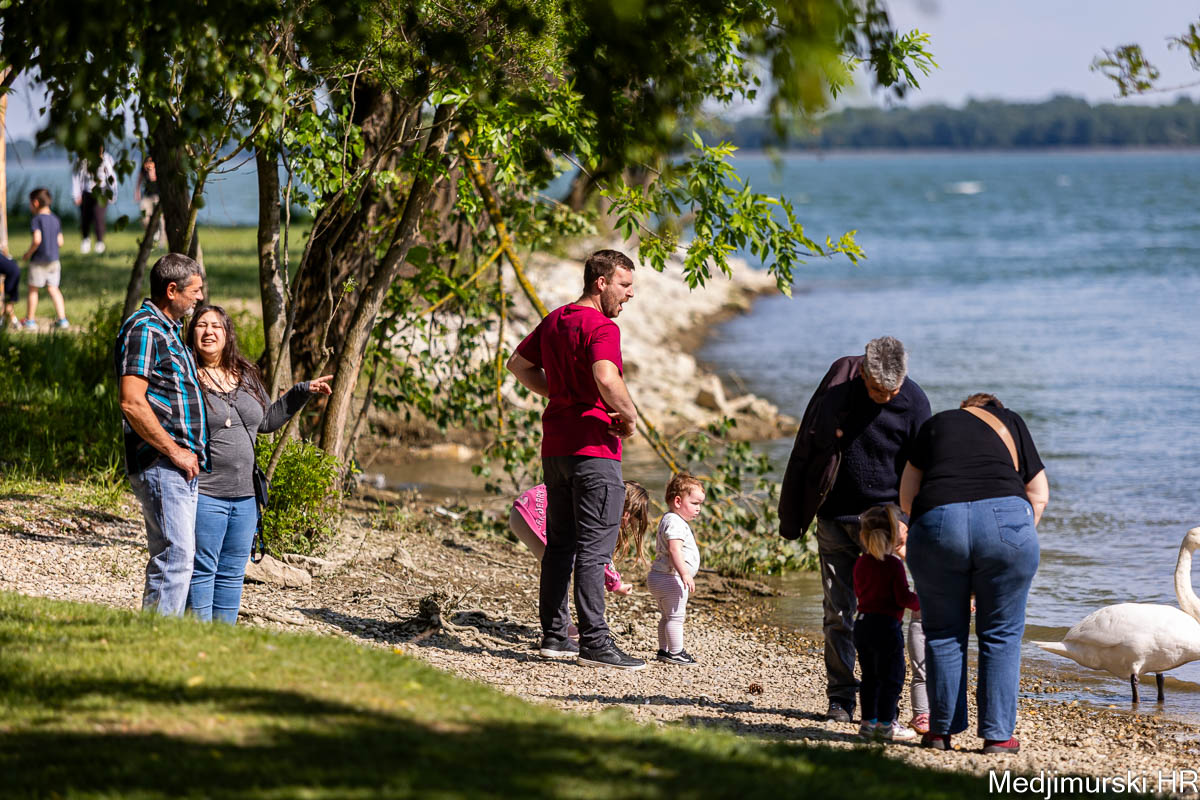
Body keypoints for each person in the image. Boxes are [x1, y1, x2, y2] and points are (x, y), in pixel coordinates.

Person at [778, 336, 930, 723]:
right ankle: (841, 698)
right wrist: (792, 514)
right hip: (834, 517)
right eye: (878, 390)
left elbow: (923, 471)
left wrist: (908, 522)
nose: (886, 397)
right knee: (838, 613)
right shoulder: (838, 390)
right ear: (863, 373)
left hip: (884, 525)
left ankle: (883, 703)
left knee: (885, 615)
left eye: (892, 390)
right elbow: (806, 447)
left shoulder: (914, 403)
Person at [506, 249, 645, 670]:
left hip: (556, 450)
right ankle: (595, 643)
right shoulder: (601, 326)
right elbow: (606, 376)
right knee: (593, 550)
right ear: (601, 282)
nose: (630, 294)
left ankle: (554, 636)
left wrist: (560, 394)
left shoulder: (556, 320)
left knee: (560, 546)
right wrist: (629, 415)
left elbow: (517, 365)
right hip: (593, 451)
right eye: (624, 285)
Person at [900, 393, 1049, 754]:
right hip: (1006, 521)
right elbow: (1039, 494)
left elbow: (907, 495)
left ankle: (941, 732)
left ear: (964, 408)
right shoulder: (1011, 421)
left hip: (938, 521)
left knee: (942, 633)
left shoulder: (935, 425)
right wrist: (1012, 538)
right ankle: (998, 737)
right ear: (996, 411)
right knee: (1001, 634)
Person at [186, 304, 332, 623]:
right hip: (205, 493)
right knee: (202, 569)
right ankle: (197, 639)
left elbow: (265, 421)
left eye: (216, 326)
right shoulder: (186, 376)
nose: (209, 331)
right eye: (201, 325)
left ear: (228, 334)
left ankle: (222, 640)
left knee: (232, 572)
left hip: (246, 497)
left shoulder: (246, 374)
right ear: (191, 332)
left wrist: (301, 391)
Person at [115, 253, 208, 616]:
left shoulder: (169, 331)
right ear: (172, 290)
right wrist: (175, 451)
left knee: (181, 557)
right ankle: (155, 637)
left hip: (179, 464)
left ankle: (165, 635)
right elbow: (132, 402)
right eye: (195, 290)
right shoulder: (144, 329)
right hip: (161, 462)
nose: (200, 297)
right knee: (174, 557)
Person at [509, 480, 648, 646]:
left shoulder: (598, 494)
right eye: (631, 521)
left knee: (560, 566)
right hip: (532, 516)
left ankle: (562, 626)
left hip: (523, 507)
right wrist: (615, 584)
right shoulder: (603, 512)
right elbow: (597, 554)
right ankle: (559, 630)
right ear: (626, 513)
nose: (628, 526)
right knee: (560, 570)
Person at [853, 504, 920, 742]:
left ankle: (867, 723)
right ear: (894, 536)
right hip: (886, 627)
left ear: (863, 536)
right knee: (892, 677)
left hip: (862, 625)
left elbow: (860, 592)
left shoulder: (861, 563)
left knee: (870, 677)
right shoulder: (893, 564)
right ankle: (885, 724)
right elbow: (902, 598)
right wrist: (923, 602)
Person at [647, 472, 705, 666]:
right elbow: (674, 550)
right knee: (676, 618)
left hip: (659, 577)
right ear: (678, 501)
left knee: (667, 616)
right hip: (670, 578)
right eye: (695, 503)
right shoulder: (676, 522)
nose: (698, 509)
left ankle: (664, 650)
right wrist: (685, 574)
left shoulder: (669, 519)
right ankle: (676, 652)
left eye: (700, 504)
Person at [20, 188, 66, 330]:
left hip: (38, 260)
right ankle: (62, 320)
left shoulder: (36, 219)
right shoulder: (56, 219)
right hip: (54, 260)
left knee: (33, 289)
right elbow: (60, 242)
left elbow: (37, 240)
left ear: (35, 203)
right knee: (54, 289)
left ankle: (30, 321)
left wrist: (28, 254)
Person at [72, 147, 117, 255]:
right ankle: (85, 240)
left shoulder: (107, 159)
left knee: (99, 217)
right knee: (85, 218)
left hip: (102, 192)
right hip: (86, 191)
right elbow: (76, 176)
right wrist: (76, 194)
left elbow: (112, 176)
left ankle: (99, 243)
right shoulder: (82, 159)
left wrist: (113, 193)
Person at [135, 156, 166, 246]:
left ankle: (162, 241)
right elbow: (139, 180)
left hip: (158, 196)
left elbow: (154, 178)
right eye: (146, 163)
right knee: (144, 217)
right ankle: (154, 232)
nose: (148, 165)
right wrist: (137, 192)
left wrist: (152, 171)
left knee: (161, 220)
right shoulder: (143, 169)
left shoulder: (159, 168)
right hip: (147, 195)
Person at [0, 249, 19, 329]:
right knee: (7, 301)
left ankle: (12, 321)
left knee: (7, 301)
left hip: (11, 275)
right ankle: (11, 322)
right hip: (14, 272)